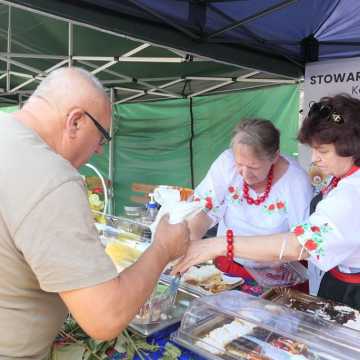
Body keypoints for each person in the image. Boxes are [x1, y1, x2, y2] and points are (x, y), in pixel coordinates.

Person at [0, 67, 189, 359]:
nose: (100, 150)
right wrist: (163, 247)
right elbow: (104, 318)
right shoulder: (50, 176)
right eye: (102, 137)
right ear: (75, 121)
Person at [173, 94, 360, 309]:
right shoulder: (343, 176)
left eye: (322, 151)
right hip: (335, 282)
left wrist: (221, 244)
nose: (315, 159)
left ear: (351, 146)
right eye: (314, 150)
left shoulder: (352, 193)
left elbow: (300, 245)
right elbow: (205, 208)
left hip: (349, 289)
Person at [185, 118, 313, 286]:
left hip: (276, 272)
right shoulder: (226, 163)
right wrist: (187, 243)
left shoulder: (295, 181)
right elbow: (203, 209)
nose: (244, 173)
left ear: (274, 156)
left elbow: (302, 244)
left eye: (253, 167)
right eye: (239, 164)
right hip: (230, 265)